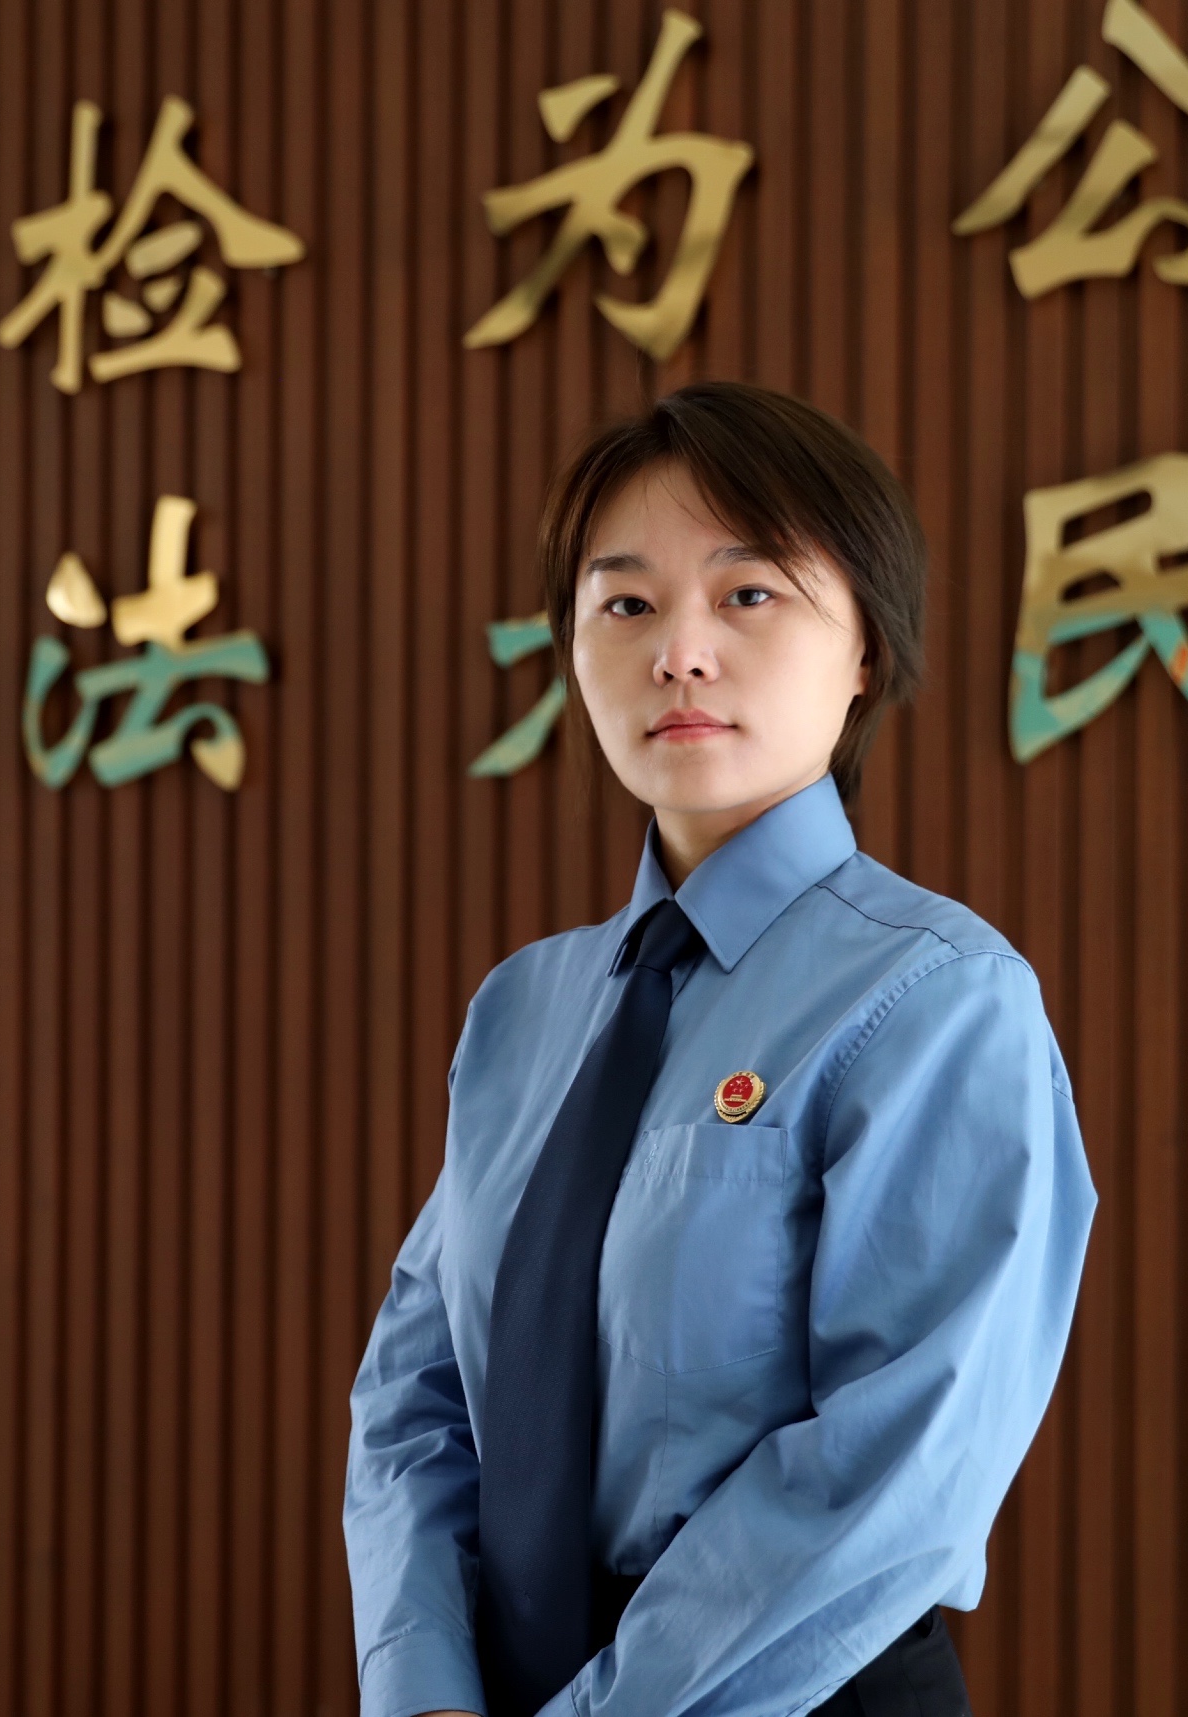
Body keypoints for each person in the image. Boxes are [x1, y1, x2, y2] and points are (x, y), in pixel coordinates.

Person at [343, 381, 1096, 1717]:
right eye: (625, 604)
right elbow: (418, 1396)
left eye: (748, 594)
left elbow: (890, 1472)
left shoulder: (938, 997)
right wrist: (426, 1692)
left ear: (865, 650)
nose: (678, 653)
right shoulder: (524, 1009)